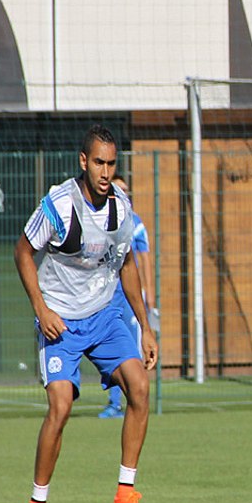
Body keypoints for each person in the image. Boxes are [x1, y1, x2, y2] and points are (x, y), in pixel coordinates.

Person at [14, 124, 158, 503]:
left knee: (140, 388)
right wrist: (41, 309)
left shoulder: (121, 206)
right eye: (98, 162)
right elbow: (23, 251)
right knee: (60, 406)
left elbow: (127, 264)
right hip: (60, 318)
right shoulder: (60, 204)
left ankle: (125, 494)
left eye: (112, 163)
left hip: (104, 316)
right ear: (83, 161)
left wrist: (145, 326)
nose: (105, 171)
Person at [99, 174, 157, 419]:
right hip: (109, 294)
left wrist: (150, 295)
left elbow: (144, 259)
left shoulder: (135, 223)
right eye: (119, 189)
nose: (124, 194)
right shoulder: (101, 221)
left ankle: (135, 400)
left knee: (132, 349)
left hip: (131, 296)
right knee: (111, 348)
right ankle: (114, 403)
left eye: (126, 190)